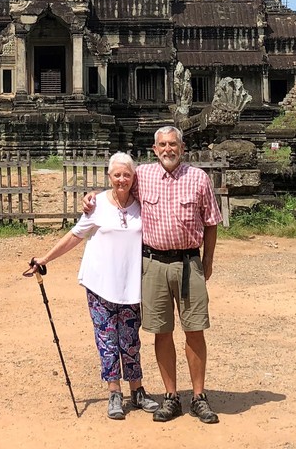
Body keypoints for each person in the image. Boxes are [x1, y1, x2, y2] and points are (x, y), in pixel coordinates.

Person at [84, 126, 222, 424]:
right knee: (161, 330)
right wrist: (91, 198)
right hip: (153, 264)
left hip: (188, 262)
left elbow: (211, 222)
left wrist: (208, 260)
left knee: (194, 329)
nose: (168, 149)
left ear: (182, 148)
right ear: (154, 148)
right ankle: (171, 396)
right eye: (162, 145)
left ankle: (199, 396)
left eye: (173, 144)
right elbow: (117, 191)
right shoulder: (143, 176)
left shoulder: (199, 178)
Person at [25, 152, 160, 420]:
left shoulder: (143, 205)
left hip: (131, 285)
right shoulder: (97, 204)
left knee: (131, 341)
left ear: (134, 178)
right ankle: (114, 393)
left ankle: (138, 391)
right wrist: (44, 258)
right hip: (100, 285)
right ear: (109, 177)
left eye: (127, 174)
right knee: (107, 341)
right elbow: (75, 235)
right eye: (117, 174)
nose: (122, 179)